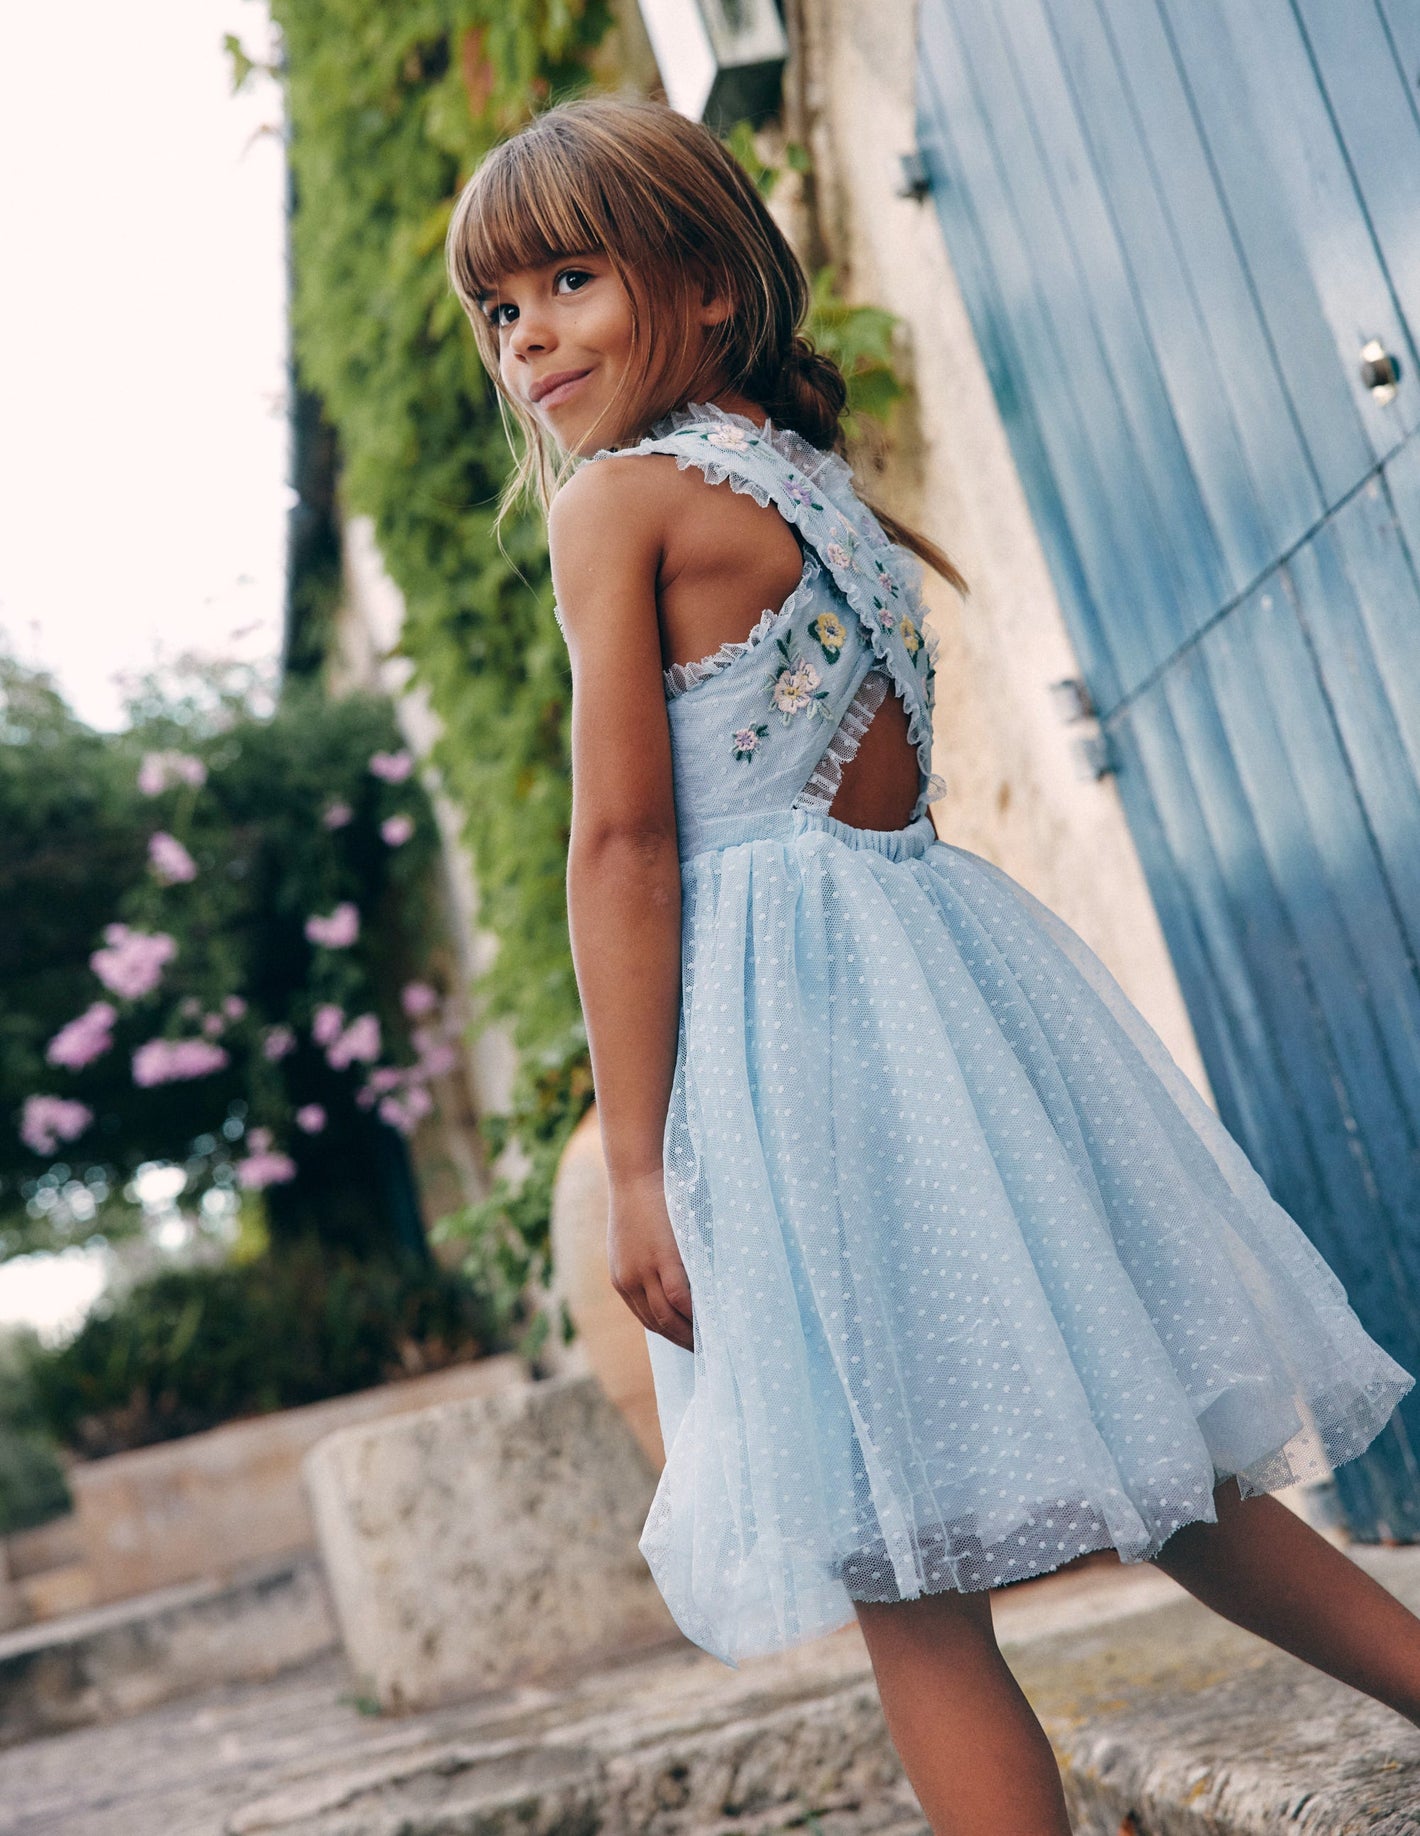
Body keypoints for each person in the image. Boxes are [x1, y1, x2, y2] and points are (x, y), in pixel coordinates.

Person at [446, 94, 1420, 1836]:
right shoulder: (820, 492)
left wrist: (642, 1155)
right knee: (1169, 1475)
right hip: (937, 995)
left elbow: (625, 846)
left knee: (895, 1553)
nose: (527, 340)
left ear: (707, 288)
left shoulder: (624, 505)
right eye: (500, 309)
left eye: (568, 282)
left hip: (786, 1046)